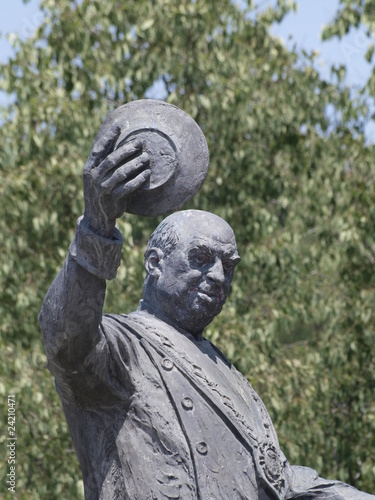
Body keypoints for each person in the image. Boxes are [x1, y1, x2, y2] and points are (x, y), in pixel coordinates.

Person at [39, 118, 374, 500]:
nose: (217, 276)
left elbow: (278, 480)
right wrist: (96, 226)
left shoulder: (229, 374)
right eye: (200, 258)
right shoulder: (121, 346)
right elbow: (66, 339)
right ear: (154, 263)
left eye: (228, 265)